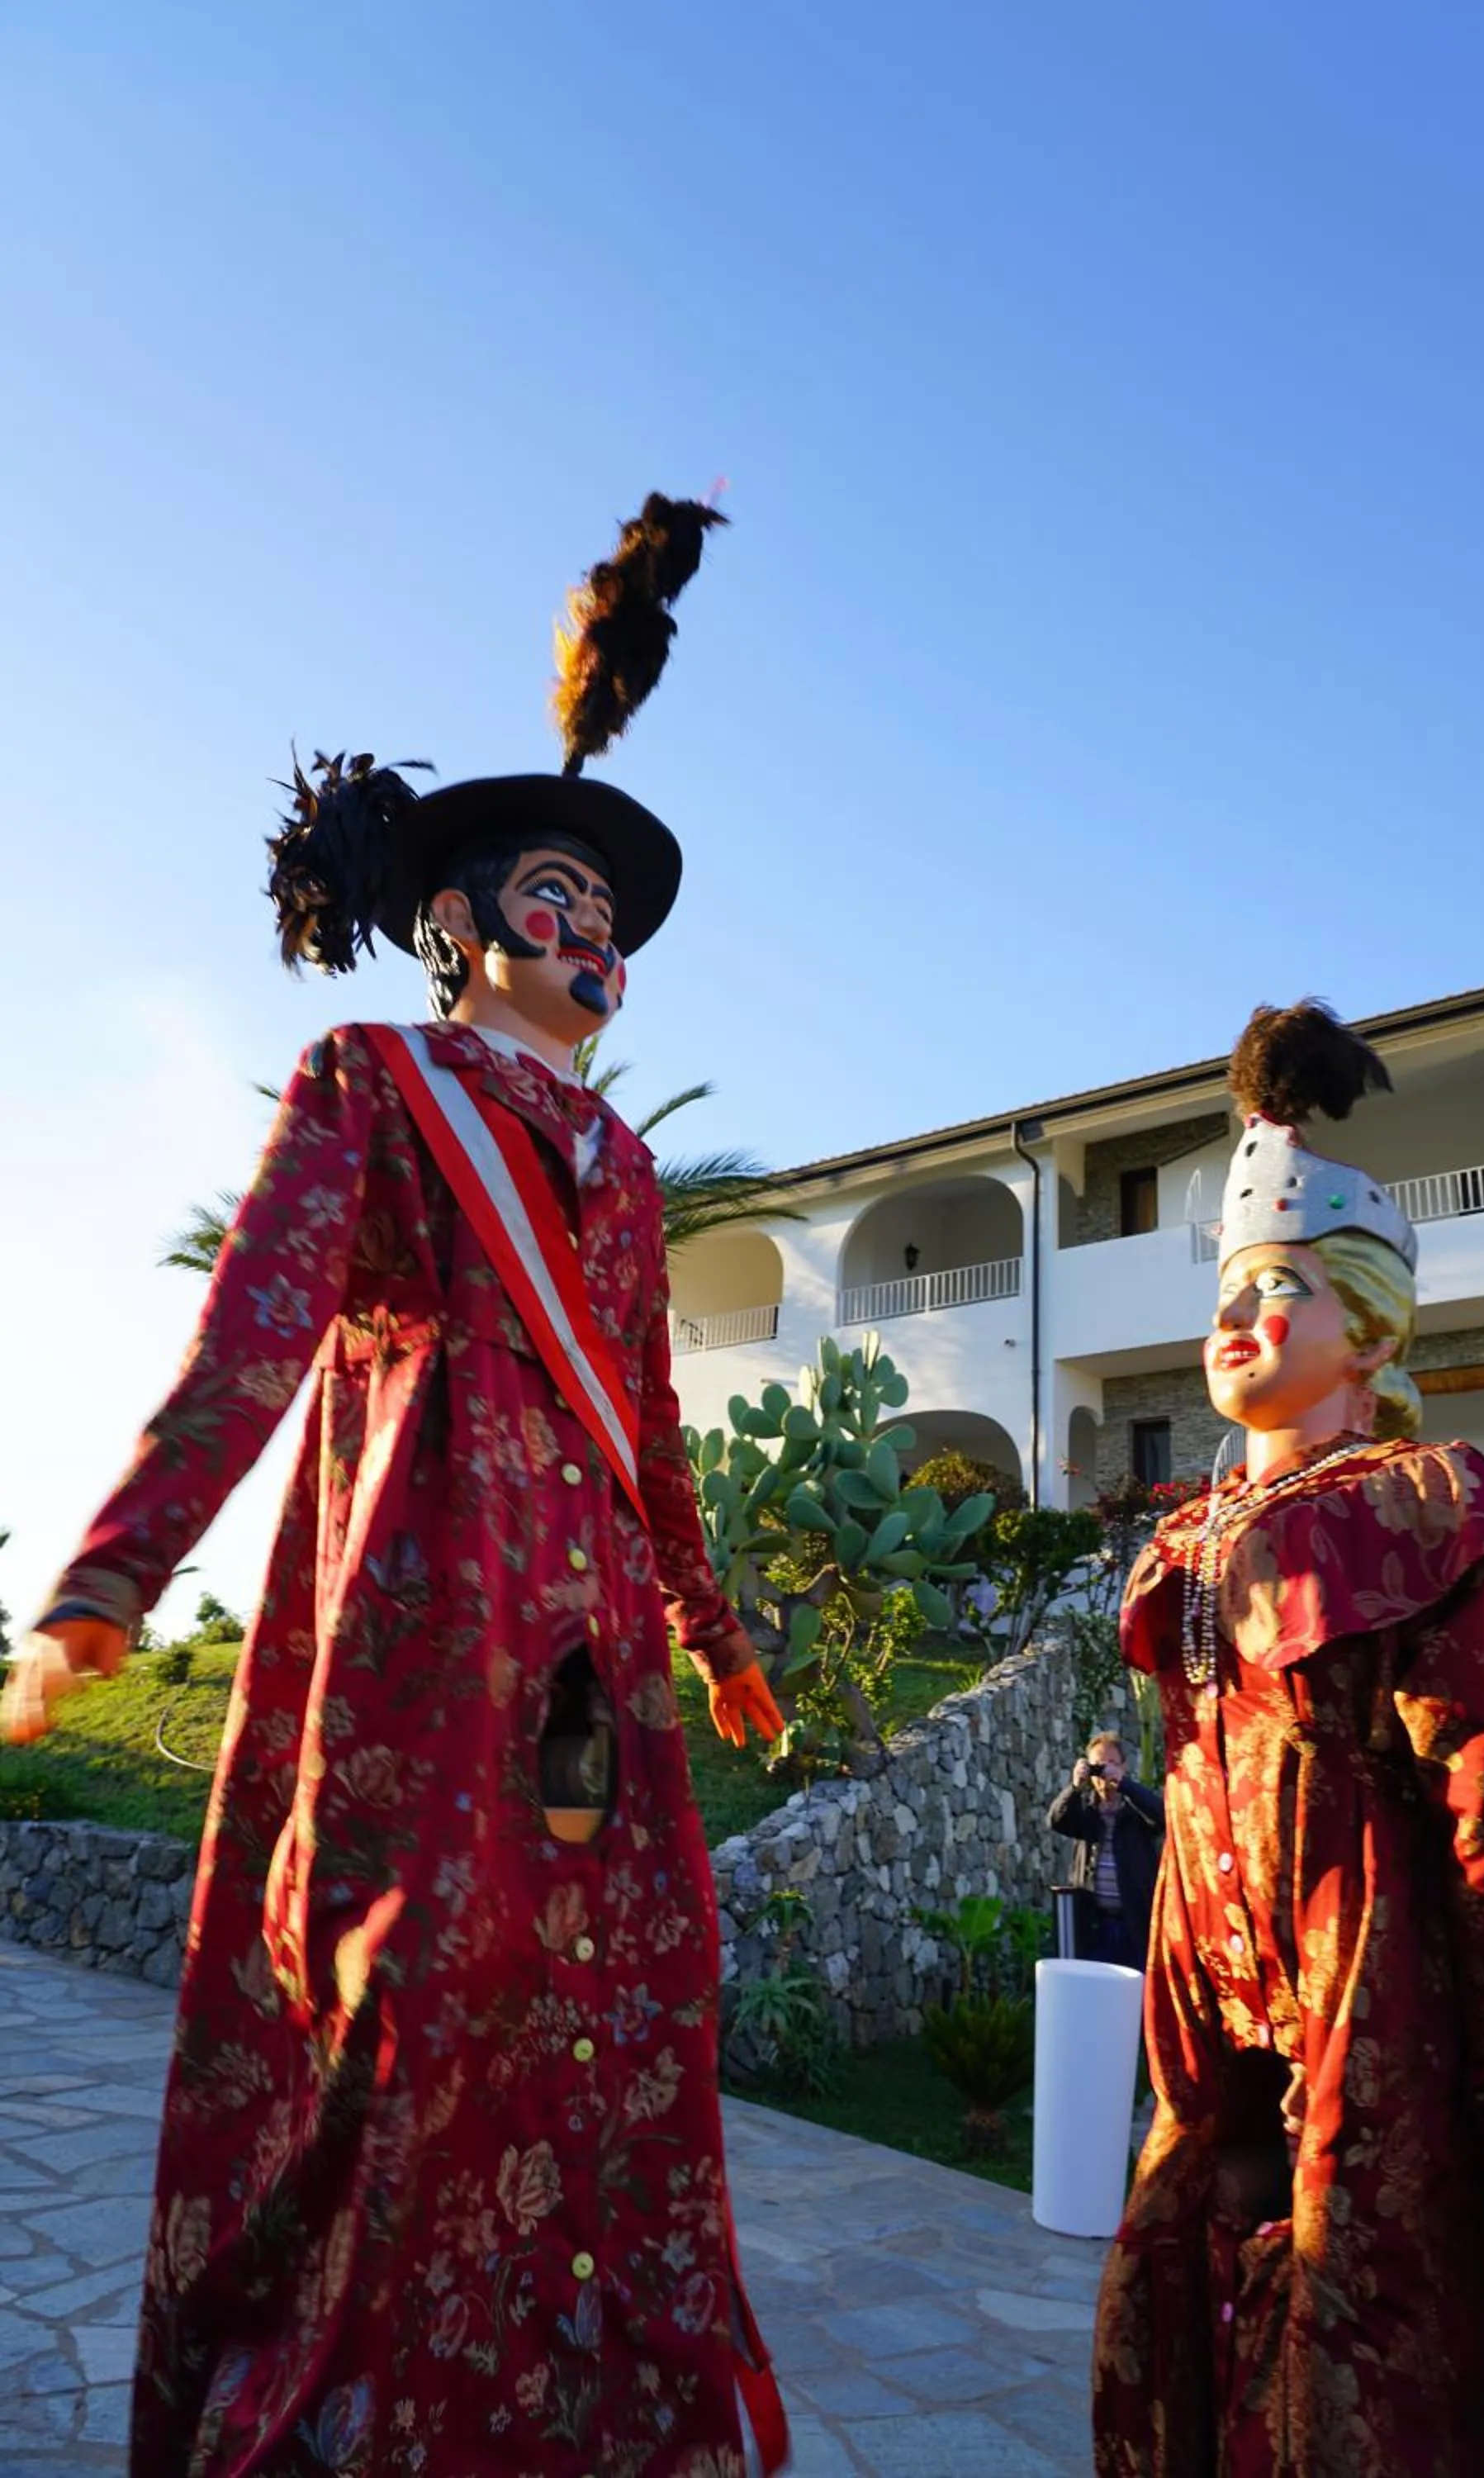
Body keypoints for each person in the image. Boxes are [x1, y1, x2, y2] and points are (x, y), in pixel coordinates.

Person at [0, 496, 789, 2478]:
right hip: (422, 1598)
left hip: (593, 1634)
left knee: (622, 1998)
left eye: (607, 913)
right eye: (553, 896)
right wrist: (111, 1572)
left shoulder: (622, 1173)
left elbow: (658, 1429)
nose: (589, 933)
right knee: (404, 1993)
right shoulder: (371, 1082)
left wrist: (716, 1630)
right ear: (457, 922)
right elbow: (254, 1322)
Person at [1091, 1000, 1484, 2476]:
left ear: (1370, 1324)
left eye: (1275, 1289)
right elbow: (1188, 1805)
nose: (1231, 1320)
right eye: (1226, 1287)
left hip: (1377, 2046)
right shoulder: (1185, 1543)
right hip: (1215, 2054)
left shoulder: (1418, 1506)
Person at [1046, 1730, 1164, 1969]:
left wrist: (1125, 1785)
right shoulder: (1086, 1814)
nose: (1105, 1773)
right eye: (1098, 1766)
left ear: (1124, 1766)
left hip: (1134, 1924)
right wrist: (1074, 1787)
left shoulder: (1136, 1813)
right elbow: (1056, 1821)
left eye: (1112, 1763)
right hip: (1094, 1925)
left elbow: (1162, 1816)